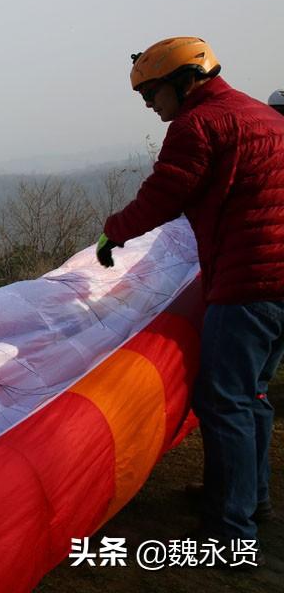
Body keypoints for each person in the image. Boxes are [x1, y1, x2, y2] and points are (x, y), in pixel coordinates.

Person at [97, 37, 284, 542]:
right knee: (254, 393)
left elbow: (164, 194)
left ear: (184, 82)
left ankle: (231, 525)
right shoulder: (262, 116)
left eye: (152, 95)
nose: (151, 108)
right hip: (278, 284)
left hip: (249, 282)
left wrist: (113, 232)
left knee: (223, 400)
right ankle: (250, 497)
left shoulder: (197, 124)